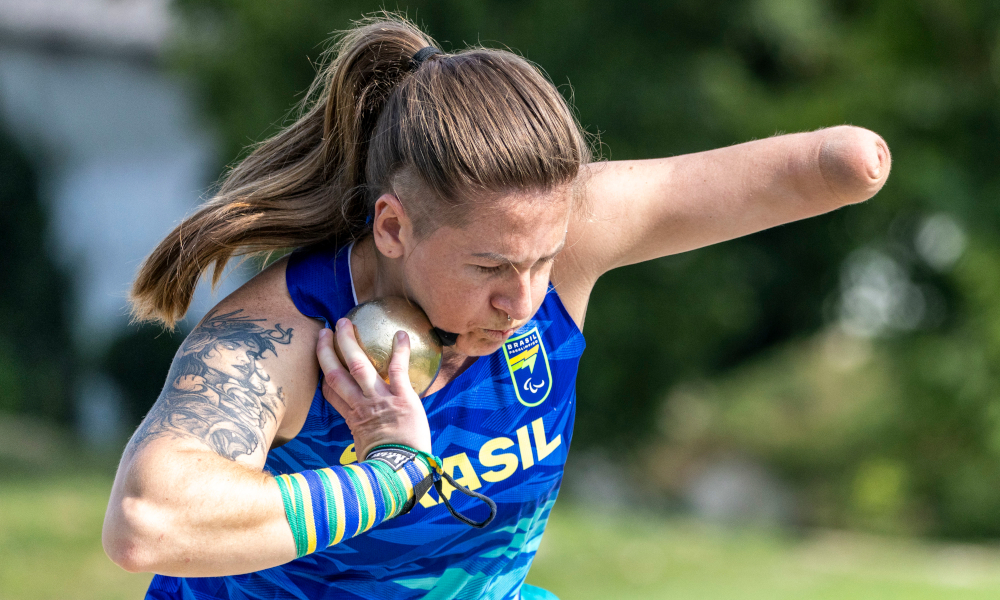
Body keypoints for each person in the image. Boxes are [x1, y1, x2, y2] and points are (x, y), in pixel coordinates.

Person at [102, 14, 891, 600]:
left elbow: (800, 172)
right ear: (393, 226)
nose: (523, 300)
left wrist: (848, 162)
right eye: (491, 267)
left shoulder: (561, 234)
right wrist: (391, 475)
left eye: (544, 259)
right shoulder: (277, 336)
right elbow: (146, 521)